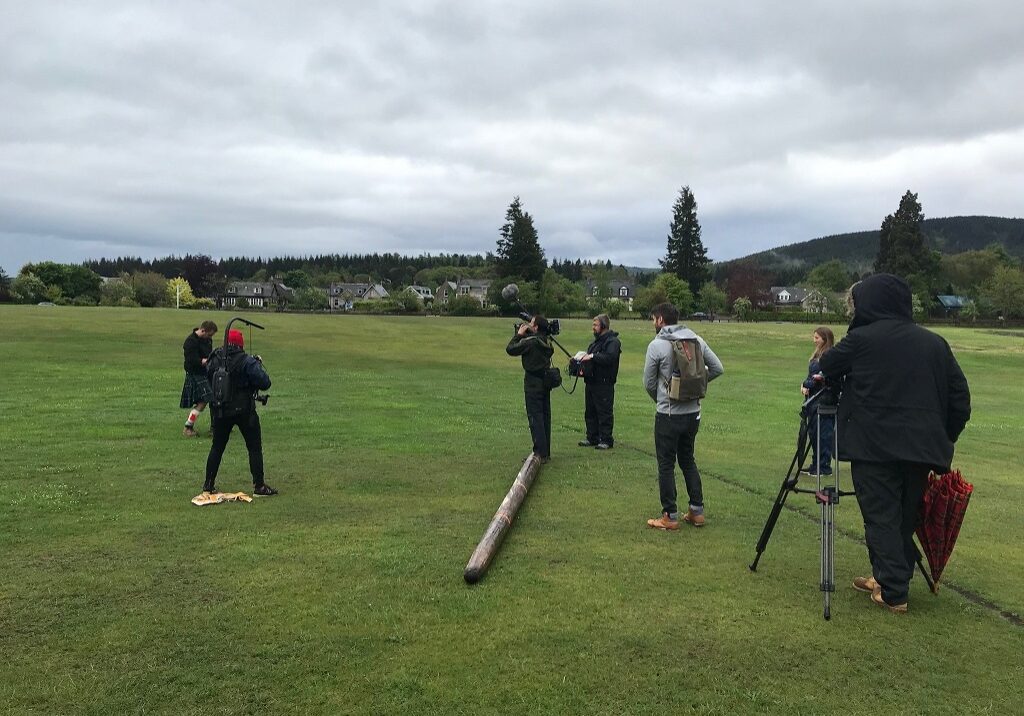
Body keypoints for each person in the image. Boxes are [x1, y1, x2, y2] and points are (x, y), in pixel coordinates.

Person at [819, 274, 970, 614]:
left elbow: (827, 364)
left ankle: (894, 590)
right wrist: (944, 436)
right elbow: (960, 399)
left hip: (874, 446)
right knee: (903, 513)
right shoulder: (934, 343)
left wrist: (856, 329)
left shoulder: (862, 339)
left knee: (880, 515)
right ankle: (886, 574)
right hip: (921, 449)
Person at [643, 303, 724, 530]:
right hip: (693, 414)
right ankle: (696, 511)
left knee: (666, 464)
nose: (653, 323)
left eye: (653, 319)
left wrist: (662, 398)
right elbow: (717, 368)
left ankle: (669, 516)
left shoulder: (657, 345)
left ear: (660, 320)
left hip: (668, 414)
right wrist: (695, 386)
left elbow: (648, 383)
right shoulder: (696, 340)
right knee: (688, 459)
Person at [203, 329, 277, 496]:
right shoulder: (246, 360)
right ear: (240, 344)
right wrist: (256, 364)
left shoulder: (214, 358)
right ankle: (259, 486)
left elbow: (207, 378)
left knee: (217, 447)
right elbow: (265, 383)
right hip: (244, 411)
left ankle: (208, 485)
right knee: (254, 448)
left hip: (220, 410)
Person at [506, 315, 556, 463]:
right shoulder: (545, 341)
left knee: (535, 417)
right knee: (545, 416)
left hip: (533, 384)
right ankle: (545, 451)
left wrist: (519, 335)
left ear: (536, 327)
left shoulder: (532, 342)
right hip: (545, 382)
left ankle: (539, 452)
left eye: (532, 323)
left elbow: (511, 349)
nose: (529, 324)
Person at [578, 314, 621, 450]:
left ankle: (606, 439)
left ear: (603, 326)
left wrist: (592, 356)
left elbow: (610, 357)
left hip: (604, 382)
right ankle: (592, 437)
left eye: (595, 325)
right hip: (591, 381)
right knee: (590, 411)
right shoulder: (596, 342)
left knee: (604, 412)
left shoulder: (613, 342)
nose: (593, 328)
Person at [800, 326, 836, 476]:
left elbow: (818, 379)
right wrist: (804, 385)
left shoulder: (828, 357)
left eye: (817, 338)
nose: (814, 340)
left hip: (823, 400)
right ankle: (816, 463)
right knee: (814, 433)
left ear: (825, 339)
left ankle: (824, 466)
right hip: (813, 399)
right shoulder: (818, 355)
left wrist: (806, 384)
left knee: (823, 434)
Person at [180, 320, 217, 437]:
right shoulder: (190, 342)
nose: (210, 337)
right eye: (209, 334)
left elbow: (209, 354)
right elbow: (190, 360)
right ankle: (188, 427)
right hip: (195, 374)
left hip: (205, 373)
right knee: (205, 400)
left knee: (208, 399)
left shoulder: (207, 340)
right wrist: (203, 361)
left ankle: (214, 427)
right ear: (203, 330)